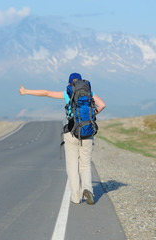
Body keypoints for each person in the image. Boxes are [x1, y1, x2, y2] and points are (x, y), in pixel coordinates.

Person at [19, 72, 106, 205]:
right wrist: (90, 116)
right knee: (85, 164)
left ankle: (76, 197)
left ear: (69, 83)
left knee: (72, 166)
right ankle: (88, 189)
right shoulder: (89, 93)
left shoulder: (67, 93)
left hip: (71, 132)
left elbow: (47, 93)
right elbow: (102, 105)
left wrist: (26, 91)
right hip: (87, 132)